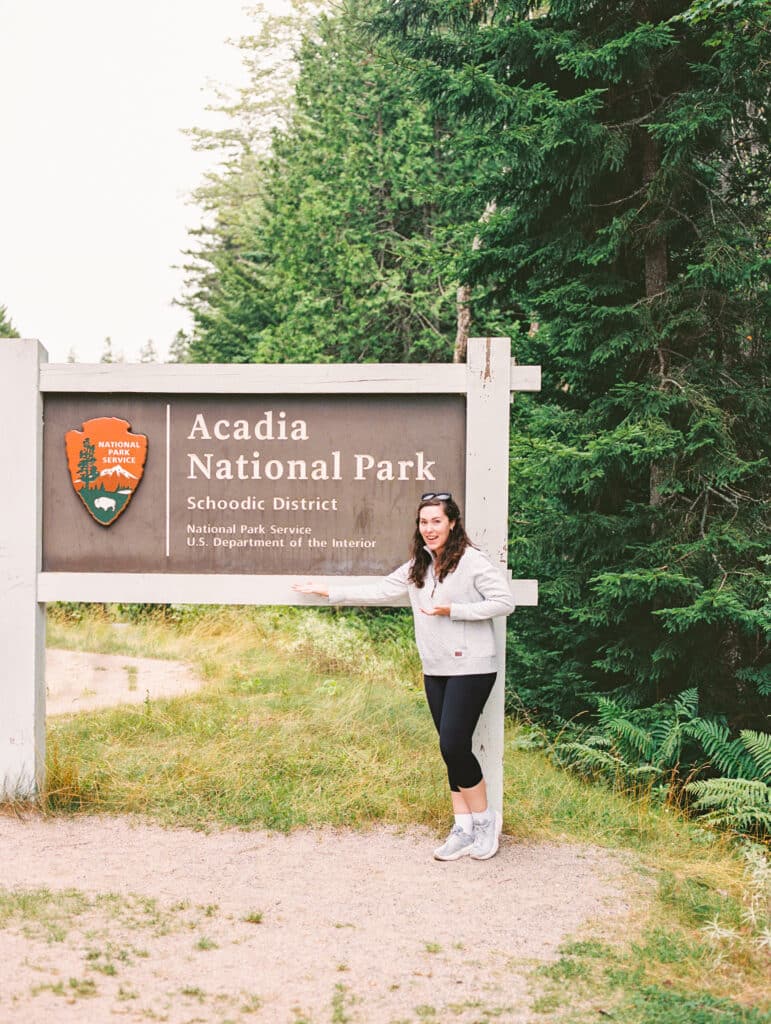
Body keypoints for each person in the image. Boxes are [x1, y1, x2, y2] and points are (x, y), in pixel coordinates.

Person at [292, 492, 515, 861]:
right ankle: (463, 828)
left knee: (453, 745)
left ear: (453, 523)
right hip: (435, 666)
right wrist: (330, 591)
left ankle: (486, 821)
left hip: (472, 666)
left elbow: (503, 601)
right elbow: (380, 589)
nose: (429, 529)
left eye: (436, 521)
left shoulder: (472, 562)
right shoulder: (419, 565)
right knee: (449, 749)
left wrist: (454, 610)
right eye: (424, 522)